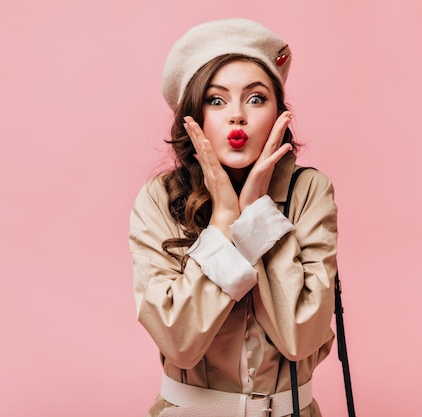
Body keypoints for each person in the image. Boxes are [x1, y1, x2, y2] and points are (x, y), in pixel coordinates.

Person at [129, 18, 338, 417]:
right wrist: (226, 218)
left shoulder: (309, 191)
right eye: (217, 100)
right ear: (194, 114)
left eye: (256, 99)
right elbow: (180, 342)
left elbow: (300, 337)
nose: (237, 116)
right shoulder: (158, 199)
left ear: (280, 113)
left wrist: (258, 211)